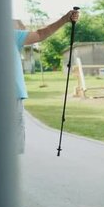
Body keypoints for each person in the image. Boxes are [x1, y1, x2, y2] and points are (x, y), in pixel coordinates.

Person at [13, 9, 79, 154]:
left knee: (13, 147)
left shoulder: (12, 36)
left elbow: (40, 34)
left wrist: (64, 19)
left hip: (13, 96)